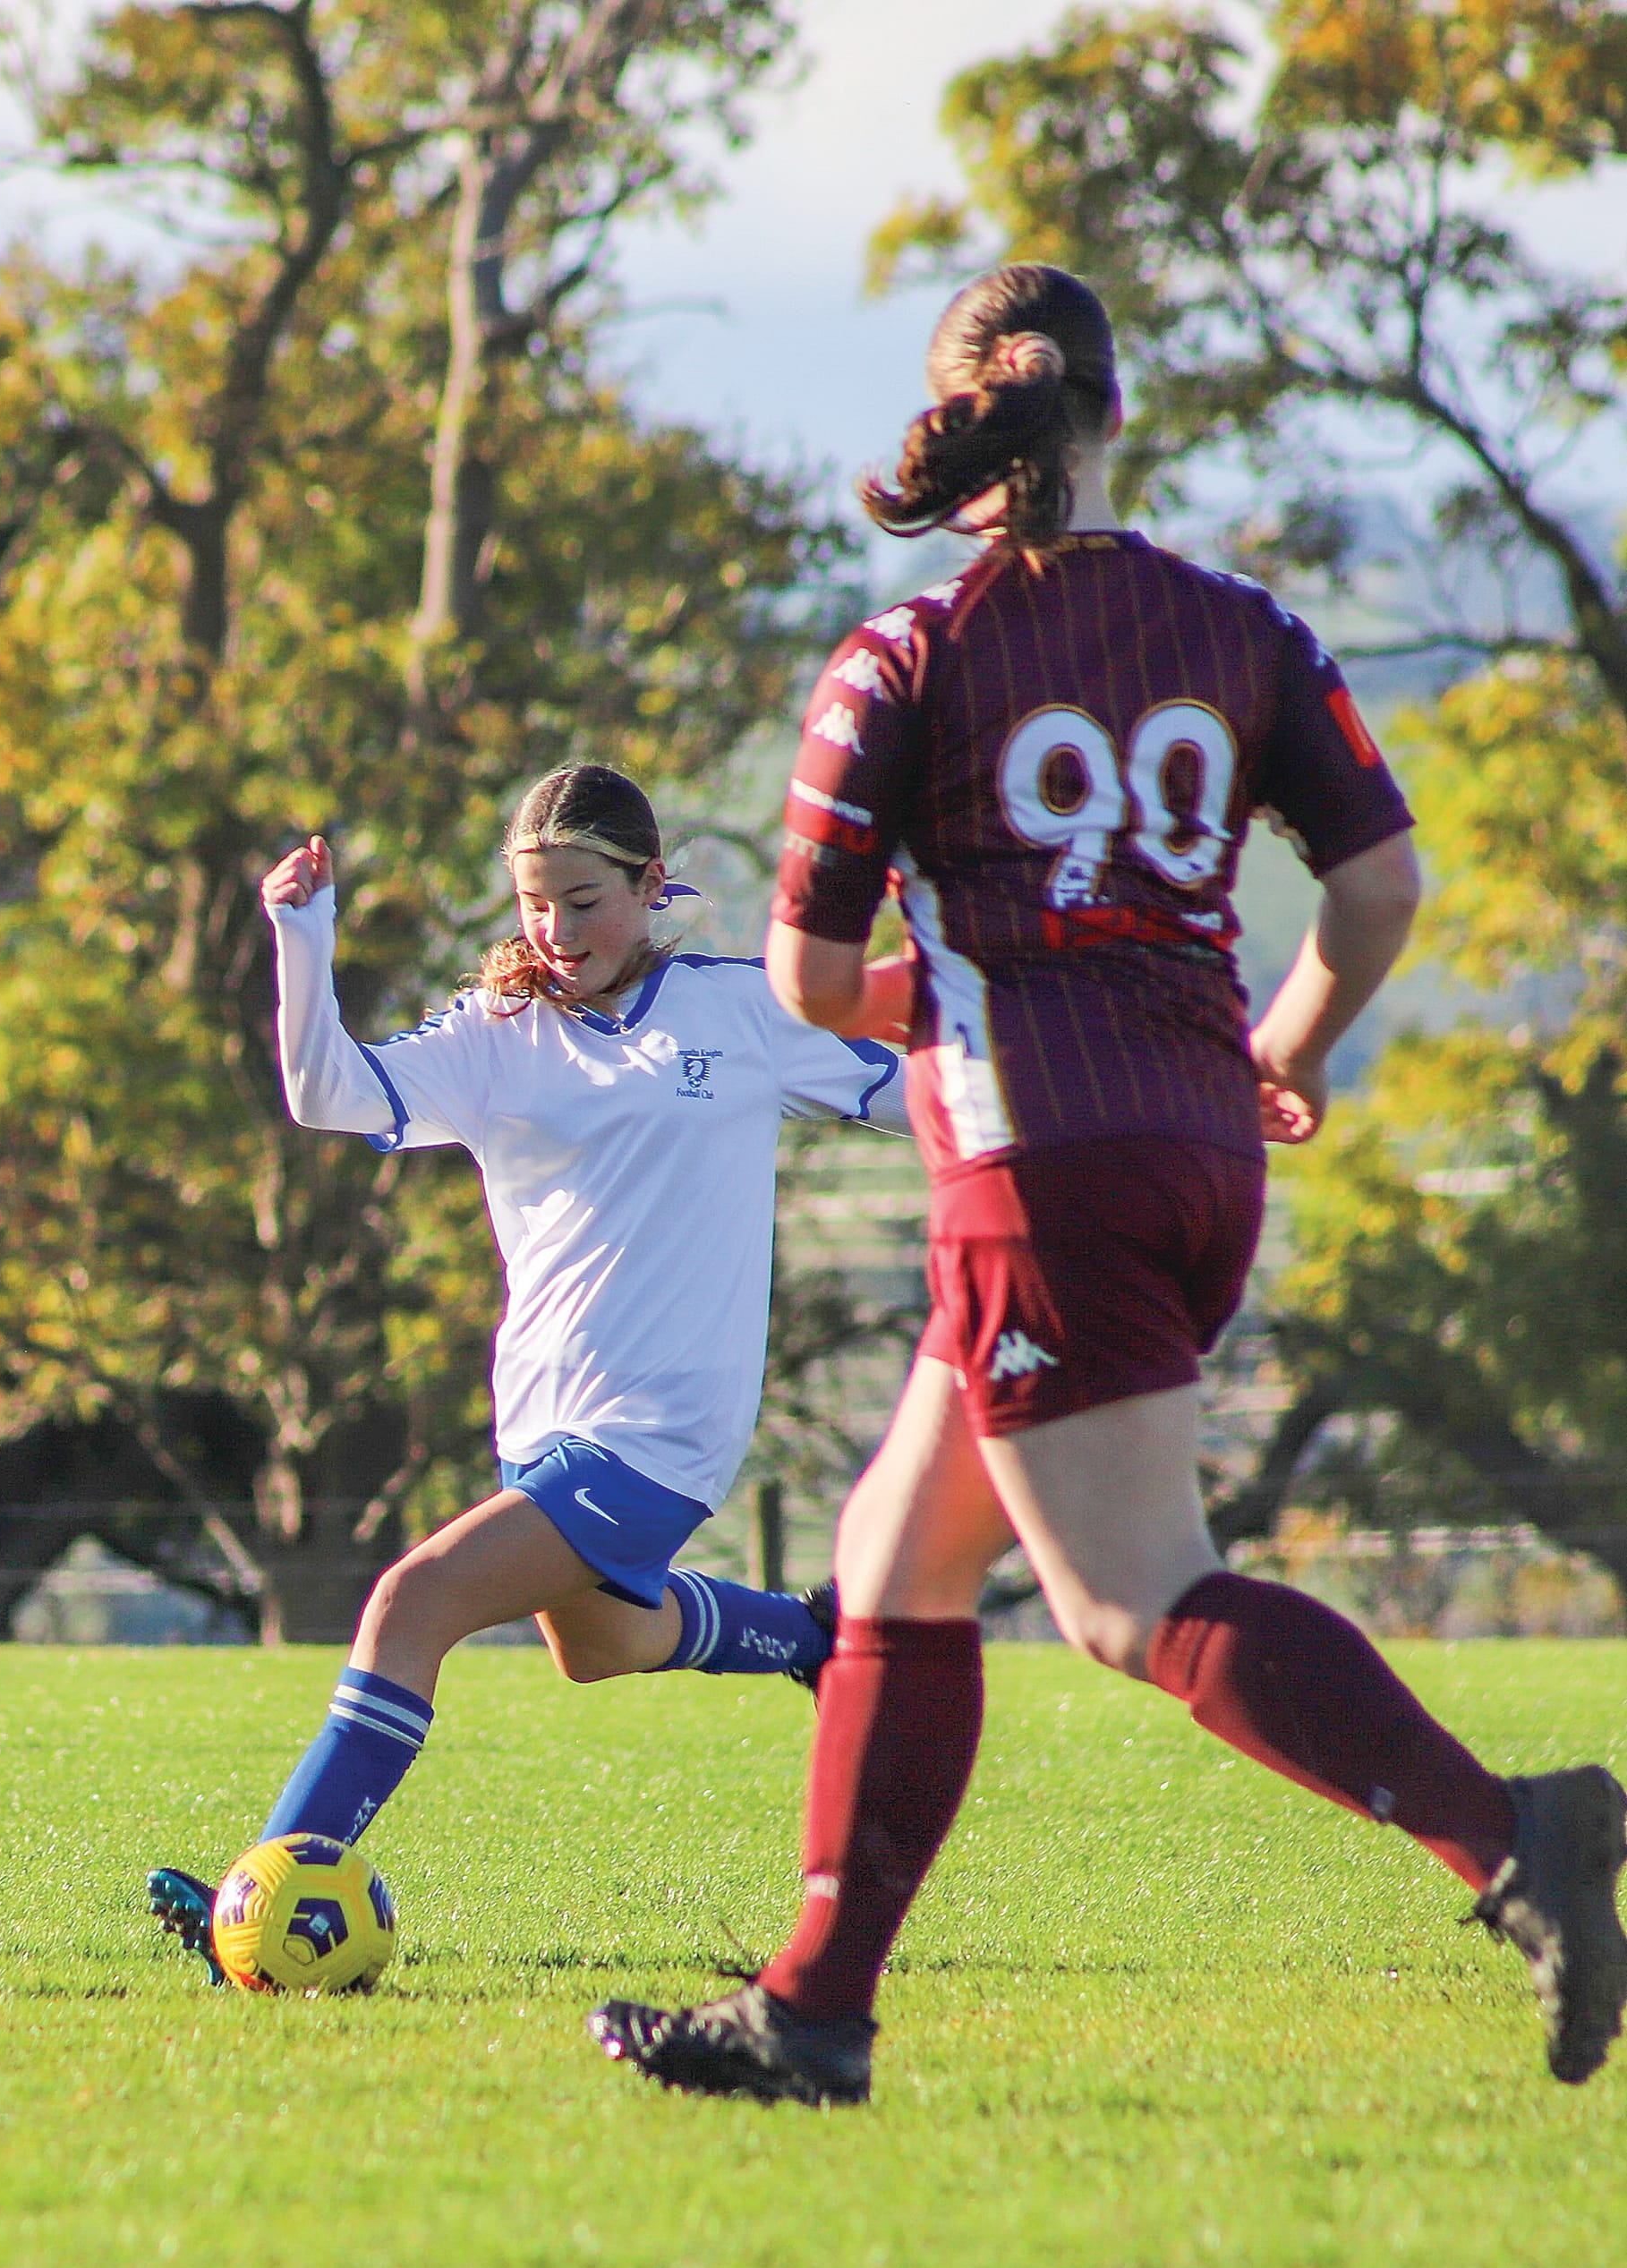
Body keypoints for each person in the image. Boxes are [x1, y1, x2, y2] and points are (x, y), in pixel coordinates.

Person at [589, 262, 1627, 2106]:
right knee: (895, 1562)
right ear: (1110, 418)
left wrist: (968, 978)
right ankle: (813, 2007)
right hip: (1199, 1151)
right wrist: (1287, 1051)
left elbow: (821, 987)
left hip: (1030, 1166)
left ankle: (1514, 1834)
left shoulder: (906, 657)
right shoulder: (1244, 630)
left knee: (1130, 1600)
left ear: (955, 428)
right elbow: (1380, 892)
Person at [150, 761, 910, 1982]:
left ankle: (272, 1891)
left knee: (410, 1601)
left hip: (664, 1431)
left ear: (653, 885)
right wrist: (302, 934)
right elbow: (327, 1092)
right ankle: (810, 1637)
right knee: (599, 1644)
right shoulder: (496, 1035)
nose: (557, 931)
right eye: (536, 903)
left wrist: (1088, 1114)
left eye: (585, 899)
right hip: (542, 1427)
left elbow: (925, 1100)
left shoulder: (745, 1010)